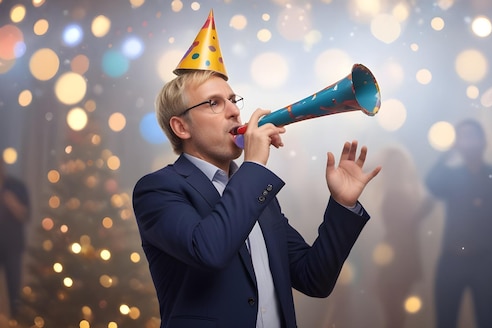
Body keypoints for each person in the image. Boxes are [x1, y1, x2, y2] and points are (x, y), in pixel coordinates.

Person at [132, 11, 381, 327]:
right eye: (214, 103)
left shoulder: (256, 192)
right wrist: (252, 166)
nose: (235, 111)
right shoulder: (158, 189)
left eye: (233, 100)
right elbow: (209, 250)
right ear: (181, 127)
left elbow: (313, 278)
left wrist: (343, 205)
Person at [425, 119, 492, 328]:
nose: (466, 140)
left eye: (471, 135)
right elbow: (431, 182)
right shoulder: (453, 176)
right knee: (445, 322)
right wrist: (448, 152)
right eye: (461, 136)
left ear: (483, 142)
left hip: (484, 262)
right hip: (451, 260)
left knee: (487, 321)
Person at [374, 146, 434, 328]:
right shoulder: (392, 194)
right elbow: (403, 226)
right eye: (395, 164)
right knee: (395, 318)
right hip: (397, 262)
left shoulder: (407, 191)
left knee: (398, 318)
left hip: (403, 261)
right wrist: (424, 210)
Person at [0, 160, 30, 319]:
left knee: (14, 292)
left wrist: (13, 203)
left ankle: (16, 321)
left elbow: (26, 215)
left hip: (12, 246)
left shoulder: (16, 186)